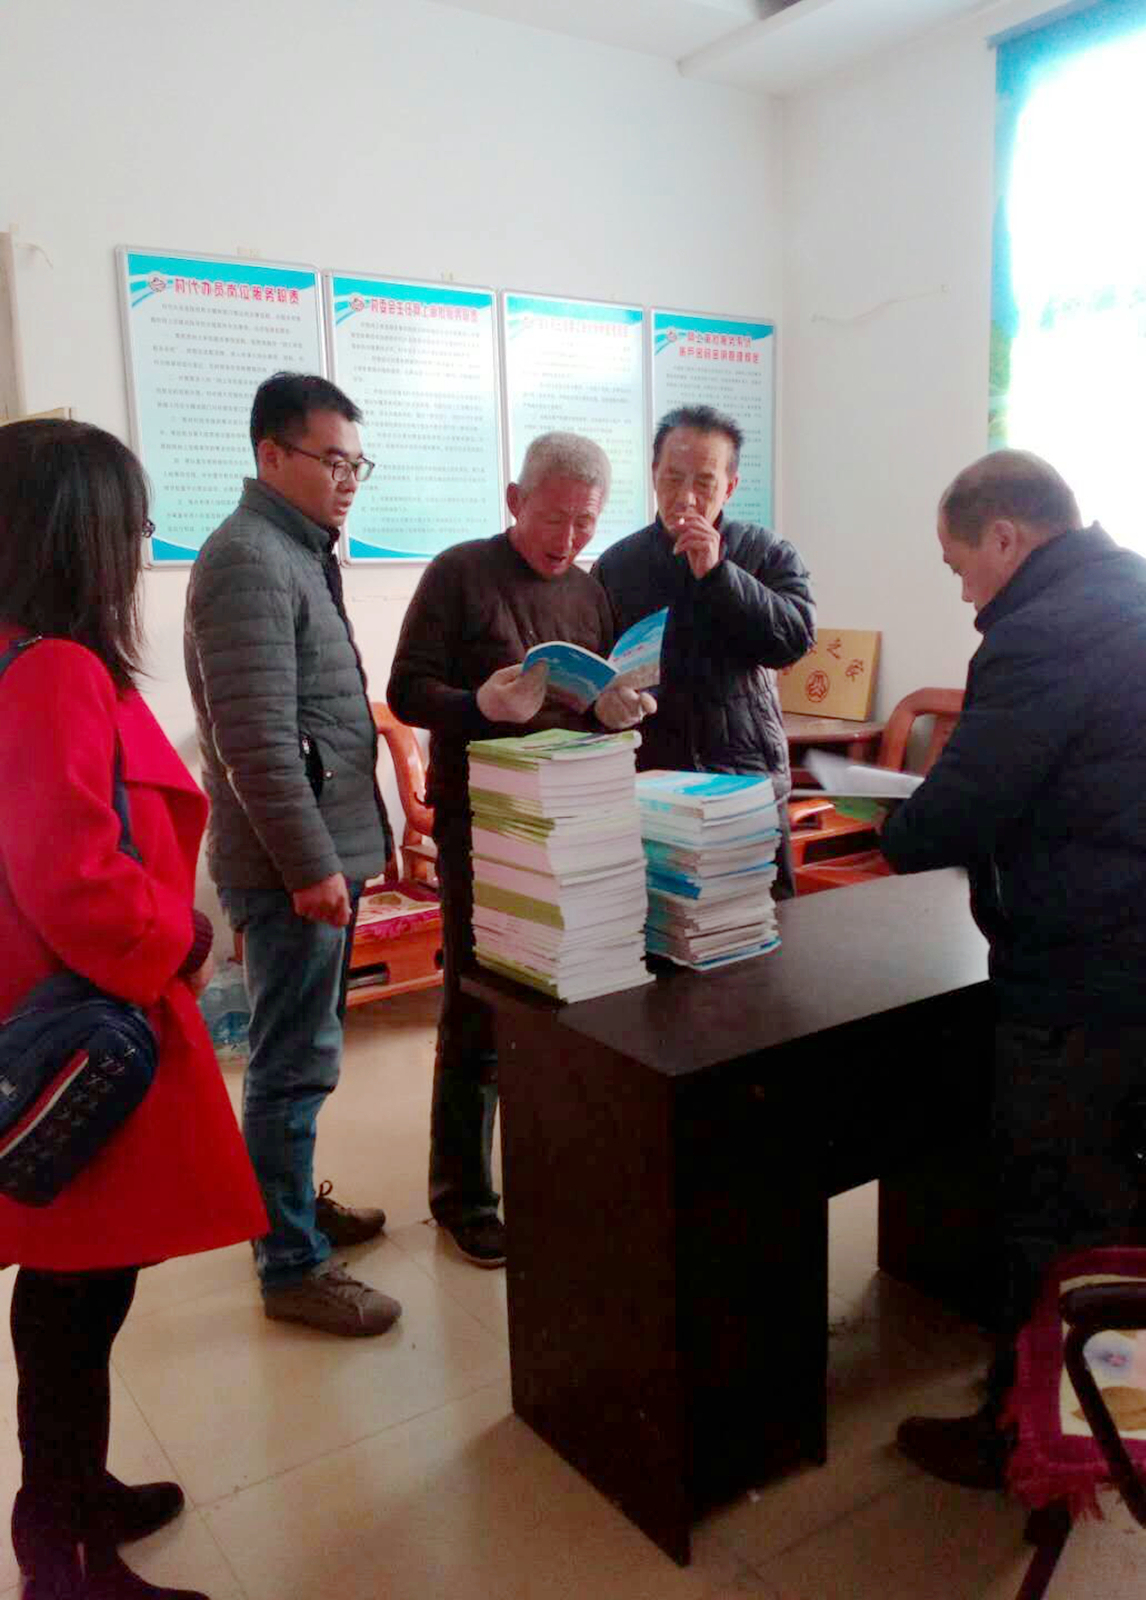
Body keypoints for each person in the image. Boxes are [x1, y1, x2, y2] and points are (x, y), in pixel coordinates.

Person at [878, 449, 1146, 1488]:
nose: (963, 592)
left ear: (1006, 538)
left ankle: (1023, 1439)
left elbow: (960, 809)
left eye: (959, 565)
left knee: (1049, 1208)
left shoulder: (1040, 634)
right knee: (1143, 1186)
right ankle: (1138, 1400)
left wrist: (892, 824)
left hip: (1088, 978)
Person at [0, 420, 269, 1600]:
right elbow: (76, 880)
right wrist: (184, 940)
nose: (141, 549)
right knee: (76, 1296)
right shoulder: (53, 667)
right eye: (135, 525)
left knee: (73, 1290)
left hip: (52, 1009)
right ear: (80, 536)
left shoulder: (21, 657)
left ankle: (74, 1497)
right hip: (86, 1018)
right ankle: (64, 1554)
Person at [387, 432, 653, 1269]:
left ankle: (554, 1166)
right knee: (478, 1002)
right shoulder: (459, 573)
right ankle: (463, 1197)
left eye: (586, 523)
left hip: (571, 814)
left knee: (567, 993)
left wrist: (612, 710)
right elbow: (405, 690)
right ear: (514, 500)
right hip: (481, 821)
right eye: (554, 518)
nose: (568, 539)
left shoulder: (589, 590)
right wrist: (478, 705)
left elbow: (592, 693)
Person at [184, 373, 398, 1338]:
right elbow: (258, 740)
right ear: (271, 455)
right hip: (286, 867)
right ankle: (291, 1264)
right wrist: (312, 868)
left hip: (313, 852)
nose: (347, 481)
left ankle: (293, 1209)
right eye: (331, 461)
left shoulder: (293, 549)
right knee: (289, 1065)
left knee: (306, 1053)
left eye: (357, 464)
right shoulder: (247, 559)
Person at [593, 404, 815, 896]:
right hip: (650, 785)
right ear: (653, 474)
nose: (686, 497)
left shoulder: (767, 553)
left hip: (745, 783)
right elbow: (596, 669)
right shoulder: (617, 566)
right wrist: (604, 703)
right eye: (673, 478)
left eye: (705, 483)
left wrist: (719, 574)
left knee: (760, 924)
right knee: (659, 928)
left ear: (729, 488)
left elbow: (794, 641)